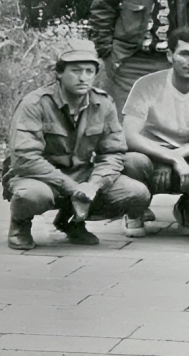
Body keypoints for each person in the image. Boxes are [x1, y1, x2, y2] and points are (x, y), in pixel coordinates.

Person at [5, 41, 151, 250]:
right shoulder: (35, 103)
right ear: (59, 74)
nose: (83, 77)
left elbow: (113, 152)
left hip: (82, 173)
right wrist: (73, 188)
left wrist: (94, 184)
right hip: (39, 176)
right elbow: (24, 158)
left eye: (89, 71)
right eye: (75, 71)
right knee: (32, 195)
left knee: (136, 193)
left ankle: (72, 222)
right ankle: (20, 224)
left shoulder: (103, 103)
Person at [120, 25, 189, 237]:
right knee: (131, 161)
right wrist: (167, 158)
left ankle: (187, 209)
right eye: (185, 53)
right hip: (148, 158)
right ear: (170, 55)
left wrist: (176, 158)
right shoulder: (147, 84)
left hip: (185, 160)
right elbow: (129, 135)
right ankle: (135, 210)